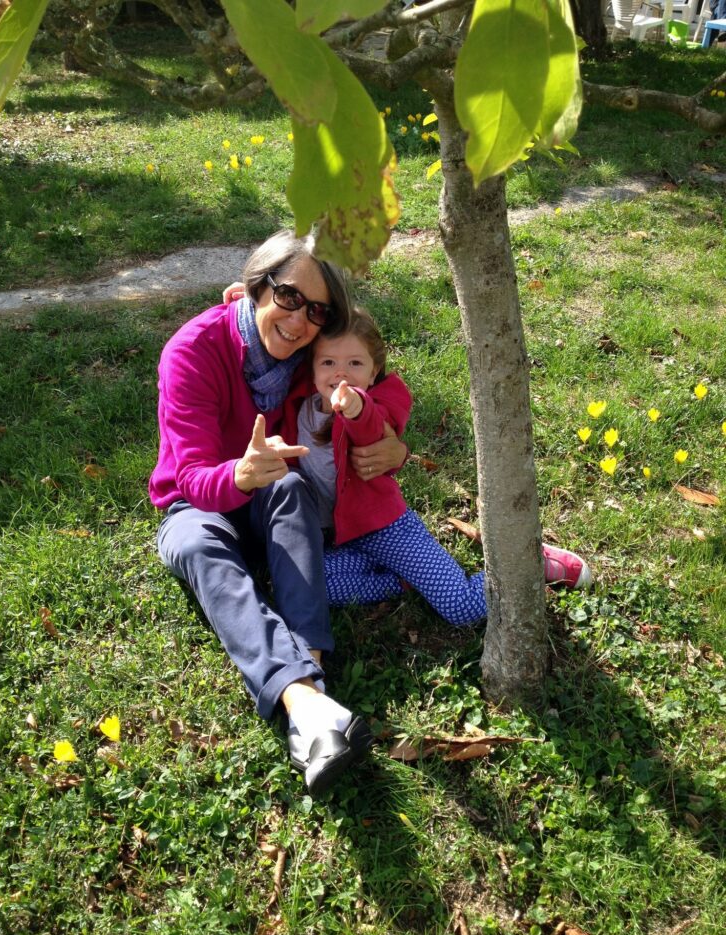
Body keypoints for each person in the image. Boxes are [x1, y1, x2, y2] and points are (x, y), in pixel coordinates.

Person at [149, 232, 407, 798]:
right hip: (198, 503)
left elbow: (377, 386)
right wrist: (240, 474)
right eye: (289, 298)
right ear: (252, 288)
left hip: (274, 493)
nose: (300, 322)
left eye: (317, 311)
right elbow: (189, 477)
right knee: (195, 545)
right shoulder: (192, 351)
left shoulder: (305, 354)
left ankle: (308, 693)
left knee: (287, 486)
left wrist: (397, 445)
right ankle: (307, 703)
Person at [281, 308, 591, 625]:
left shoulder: (369, 408)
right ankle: (405, 578)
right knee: (309, 585)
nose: (340, 373)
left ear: (374, 373)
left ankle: (527, 565)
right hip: (340, 537)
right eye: (328, 362)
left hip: (386, 529)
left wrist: (357, 407)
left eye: (355, 363)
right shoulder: (299, 407)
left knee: (462, 609)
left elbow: (373, 430)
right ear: (312, 367)